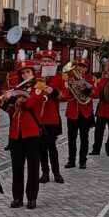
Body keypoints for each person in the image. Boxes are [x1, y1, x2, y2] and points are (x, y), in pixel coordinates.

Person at [1, 60, 45, 209]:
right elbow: (13, 110)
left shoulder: (39, 86)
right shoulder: (16, 89)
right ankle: (17, 197)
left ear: (33, 73)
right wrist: (3, 103)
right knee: (17, 167)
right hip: (16, 133)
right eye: (23, 72)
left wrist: (12, 97)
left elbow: (30, 103)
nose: (25, 74)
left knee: (33, 167)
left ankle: (31, 197)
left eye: (28, 72)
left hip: (31, 132)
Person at [34, 51, 66, 183]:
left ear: (54, 63)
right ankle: (45, 172)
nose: (46, 63)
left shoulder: (60, 76)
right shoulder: (35, 76)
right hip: (38, 117)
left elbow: (66, 95)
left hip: (52, 116)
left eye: (49, 61)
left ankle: (56, 172)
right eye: (44, 61)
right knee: (41, 146)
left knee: (52, 146)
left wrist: (54, 91)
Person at [63, 58, 95, 169]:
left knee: (84, 138)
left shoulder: (91, 79)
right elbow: (65, 94)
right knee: (71, 138)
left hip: (85, 112)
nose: (81, 68)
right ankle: (71, 160)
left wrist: (85, 88)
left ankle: (83, 160)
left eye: (83, 66)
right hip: (72, 111)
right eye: (79, 66)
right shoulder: (69, 78)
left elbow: (95, 94)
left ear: (87, 68)